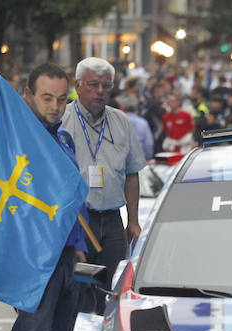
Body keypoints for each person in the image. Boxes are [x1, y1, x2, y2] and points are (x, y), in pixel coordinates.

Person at [3, 63, 88, 331]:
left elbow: (72, 201)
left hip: (66, 253)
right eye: (46, 98)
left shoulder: (63, 139)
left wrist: (79, 247)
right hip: (36, 255)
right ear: (28, 97)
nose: (55, 106)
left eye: (61, 98)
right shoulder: (21, 143)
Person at [62, 57, 146, 312]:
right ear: (77, 86)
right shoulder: (63, 120)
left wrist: (132, 220)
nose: (100, 91)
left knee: (113, 291)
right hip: (77, 222)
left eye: (106, 86)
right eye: (93, 85)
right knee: (78, 291)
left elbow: (132, 173)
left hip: (111, 221)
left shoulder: (120, 121)